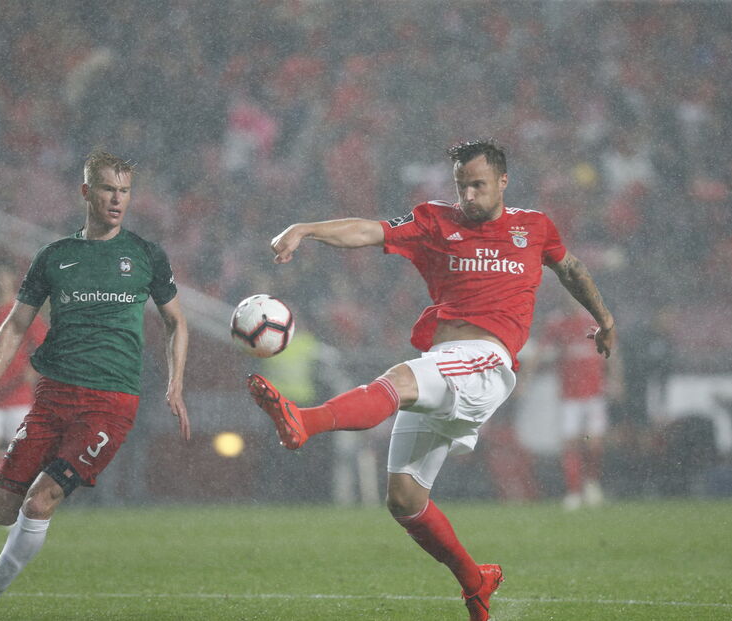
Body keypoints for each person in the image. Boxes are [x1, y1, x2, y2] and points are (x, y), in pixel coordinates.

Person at [247, 140, 615, 621]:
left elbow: (571, 269)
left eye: (478, 185)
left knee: (398, 380)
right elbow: (369, 230)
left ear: (503, 181)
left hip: (487, 361)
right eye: (462, 186)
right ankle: (475, 581)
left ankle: (305, 421)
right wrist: (306, 229)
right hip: (443, 362)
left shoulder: (535, 227)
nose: (469, 195)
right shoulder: (436, 221)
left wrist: (604, 319)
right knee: (404, 499)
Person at [0, 150, 191, 620]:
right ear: (86, 192)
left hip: (111, 402)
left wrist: (175, 384)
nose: (117, 200)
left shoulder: (145, 255)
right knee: (1, 508)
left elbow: (176, 321)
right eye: (108, 189)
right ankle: (19, 541)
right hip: (53, 396)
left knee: (41, 500)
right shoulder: (54, 257)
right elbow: (16, 324)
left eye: (124, 191)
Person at [540, 298, 623, 511]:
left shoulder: (595, 319)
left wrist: (615, 379)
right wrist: (525, 378)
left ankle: (591, 483)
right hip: (569, 395)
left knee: (593, 443)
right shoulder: (555, 322)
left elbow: (611, 350)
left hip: (594, 392)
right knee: (570, 443)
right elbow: (542, 352)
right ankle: (573, 491)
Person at [0, 262, 47, 495]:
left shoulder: (22, 313)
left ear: (12, 281)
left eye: (4, 277)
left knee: (20, 452)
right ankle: (3, 488)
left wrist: (32, 369)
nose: (0, 282)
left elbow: (42, 346)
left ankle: (9, 491)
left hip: (18, 394)